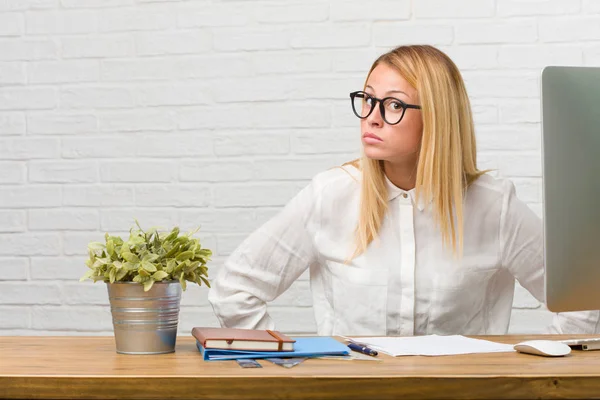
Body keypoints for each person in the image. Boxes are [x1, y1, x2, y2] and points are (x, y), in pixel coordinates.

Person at [207, 45, 600, 336]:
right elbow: (234, 292)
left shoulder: (494, 206)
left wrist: (541, 371)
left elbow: (586, 305)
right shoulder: (330, 195)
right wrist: (292, 369)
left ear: (438, 119)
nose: (372, 118)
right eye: (367, 99)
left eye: (393, 105)